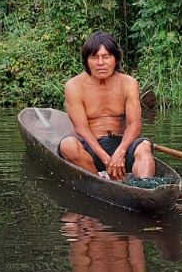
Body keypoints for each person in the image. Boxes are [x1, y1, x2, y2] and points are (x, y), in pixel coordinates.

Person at [57, 32, 156, 180]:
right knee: (67, 145)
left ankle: (144, 186)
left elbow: (134, 125)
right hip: (91, 150)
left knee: (144, 146)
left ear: (115, 59)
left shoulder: (128, 83)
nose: (100, 63)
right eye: (94, 57)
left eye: (106, 57)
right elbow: (81, 128)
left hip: (121, 144)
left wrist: (120, 153)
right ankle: (99, 181)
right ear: (86, 61)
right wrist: (106, 159)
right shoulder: (74, 86)